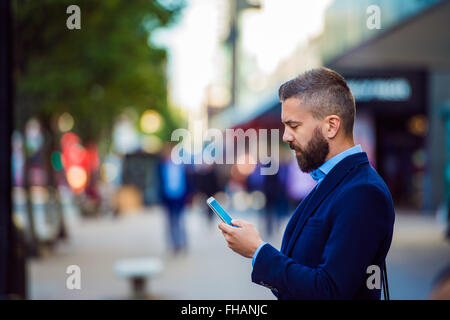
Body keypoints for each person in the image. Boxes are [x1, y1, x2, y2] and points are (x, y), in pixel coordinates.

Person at [218, 67, 395, 299]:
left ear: (331, 126)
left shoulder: (363, 192)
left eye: (294, 126)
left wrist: (258, 251)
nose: (286, 136)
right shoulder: (333, 181)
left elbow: (330, 290)